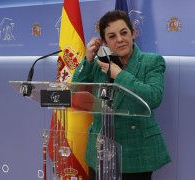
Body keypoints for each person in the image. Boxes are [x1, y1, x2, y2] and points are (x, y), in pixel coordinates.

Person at [73, 10, 171, 180]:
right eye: (111, 36)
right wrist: (88, 60)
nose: (119, 39)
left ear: (133, 33)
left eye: (124, 33)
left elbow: (154, 97)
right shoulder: (99, 64)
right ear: (104, 42)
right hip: (100, 152)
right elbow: (75, 92)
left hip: (136, 153)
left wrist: (119, 75)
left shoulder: (152, 61)